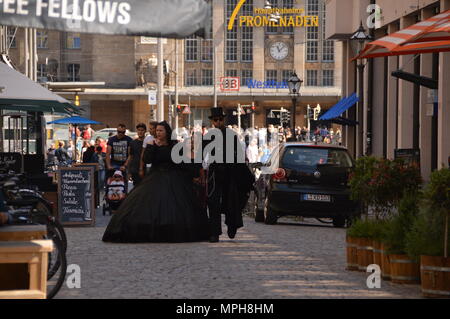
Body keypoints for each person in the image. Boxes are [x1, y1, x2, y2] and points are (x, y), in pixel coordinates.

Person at [102, 121, 210, 243]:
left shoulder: (174, 145)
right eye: (157, 130)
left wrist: (194, 172)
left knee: (174, 206)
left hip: (173, 177)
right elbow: (147, 159)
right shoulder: (151, 143)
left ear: (167, 132)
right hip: (155, 176)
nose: (158, 133)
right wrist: (152, 146)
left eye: (160, 130)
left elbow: (182, 162)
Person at [203, 107, 254, 243]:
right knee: (213, 202)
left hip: (230, 172)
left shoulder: (231, 135)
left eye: (220, 119)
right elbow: (202, 154)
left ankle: (232, 225)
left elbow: (239, 155)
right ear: (212, 121)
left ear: (223, 120)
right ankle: (215, 233)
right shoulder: (208, 136)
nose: (218, 122)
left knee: (231, 201)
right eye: (215, 120)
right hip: (215, 172)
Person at [106, 124, 133, 191]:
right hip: (114, 165)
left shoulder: (129, 140)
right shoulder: (112, 139)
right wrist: (109, 165)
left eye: (122, 132)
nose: (120, 134)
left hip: (124, 165)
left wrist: (125, 165)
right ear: (117, 131)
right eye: (119, 132)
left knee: (124, 183)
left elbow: (130, 155)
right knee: (111, 182)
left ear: (125, 132)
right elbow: (107, 154)